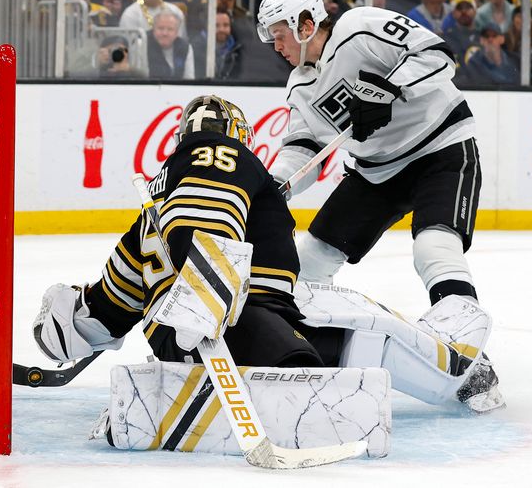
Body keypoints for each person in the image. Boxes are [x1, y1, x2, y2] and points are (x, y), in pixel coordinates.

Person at [33, 94, 503, 413]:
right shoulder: (222, 156)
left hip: (186, 345)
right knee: (358, 318)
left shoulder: (152, 210)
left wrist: (70, 322)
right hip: (245, 327)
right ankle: (462, 375)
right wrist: (205, 299)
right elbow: (205, 226)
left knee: (327, 308)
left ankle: (457, 372)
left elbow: (107, 309)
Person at [256, 0, 487, 333]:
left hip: (440, 149)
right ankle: (309, 345)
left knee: (433, 247)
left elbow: (438, 55)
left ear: (305, 24)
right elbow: (304, 148)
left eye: (279, 34)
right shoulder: (299, 85)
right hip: (377, 173)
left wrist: (389, 89)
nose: (276, 45)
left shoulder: (358, 27)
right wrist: (274, 185)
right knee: (310, 262)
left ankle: (467, 349)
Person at [146, 9, 193, 79]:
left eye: (170, 29)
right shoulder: (143, 44)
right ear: (153, 30)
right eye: (160, 28)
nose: (165, 33)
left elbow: (189, 78)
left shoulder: (186, 48)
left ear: (177, 32)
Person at [442, 0, 481, 74]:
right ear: (453, 13)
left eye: (468, 7)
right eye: (459, 8)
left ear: (475, 11)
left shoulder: (485, 36)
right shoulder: (446, 39)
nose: (464, 11)